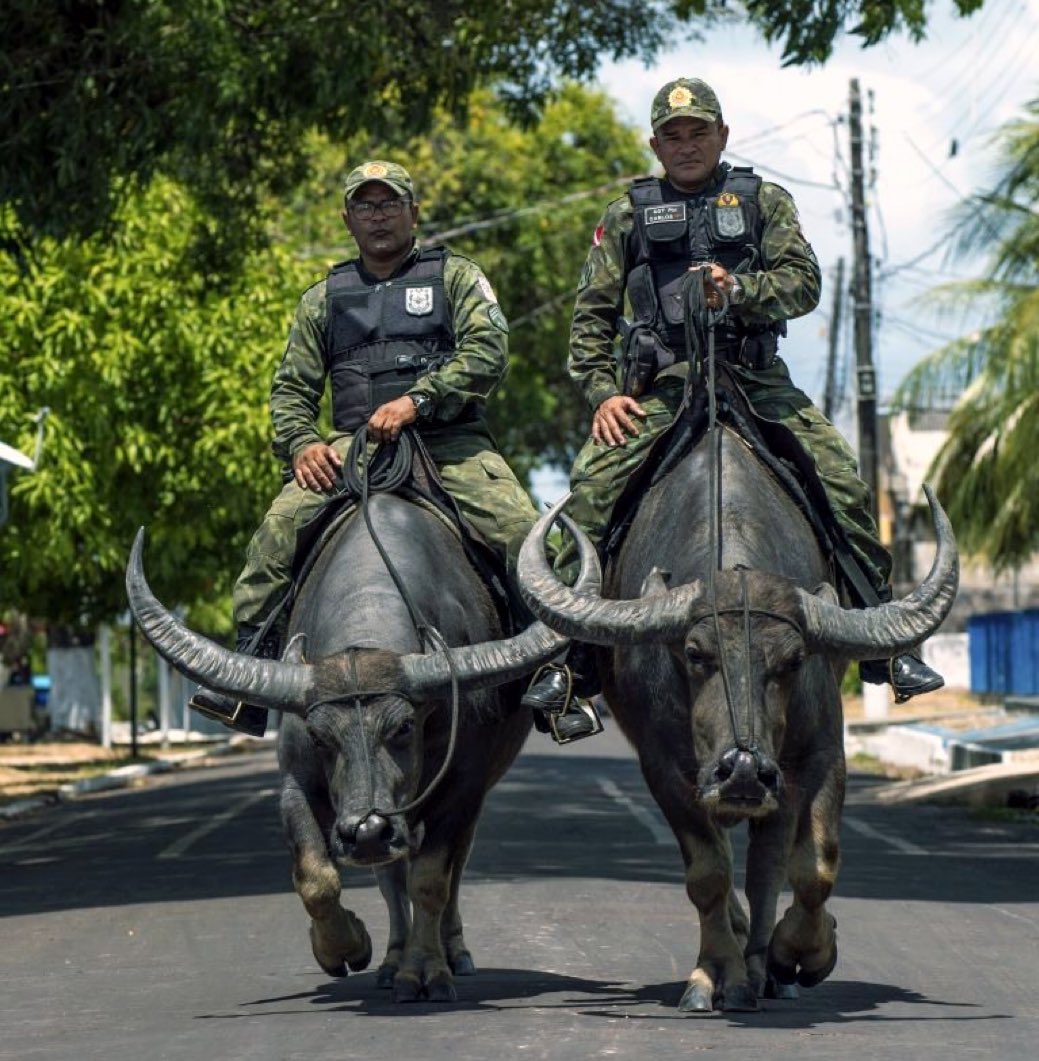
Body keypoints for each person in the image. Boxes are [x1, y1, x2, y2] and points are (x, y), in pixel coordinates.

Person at [522, 77, 944, 715]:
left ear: (723, 135)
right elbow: (589, 324)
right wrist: (605, 395)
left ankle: (885, 644)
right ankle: (570, 660)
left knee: (843, 483)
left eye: (699, 133)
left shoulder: (762, 200)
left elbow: (804, 284)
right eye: (673, 135)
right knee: (588, 499)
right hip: (662, 387)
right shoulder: (625, 215)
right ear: (655, 144)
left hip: (754, 379)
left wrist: (739, 290)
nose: (686, 145)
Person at [192, 160, 599, 740]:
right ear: (348, 218)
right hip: (351, 447)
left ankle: (562, 677)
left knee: (521, 533)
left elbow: (488, 351)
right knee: (275, 536)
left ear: (414, 212)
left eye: (389, 204)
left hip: (449, 441)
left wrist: (420, 400)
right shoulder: (322, 298)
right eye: (365, 205)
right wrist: (303, 443)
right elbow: (290, 389)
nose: (377, 216)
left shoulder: (455, 277)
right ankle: (247, 679)